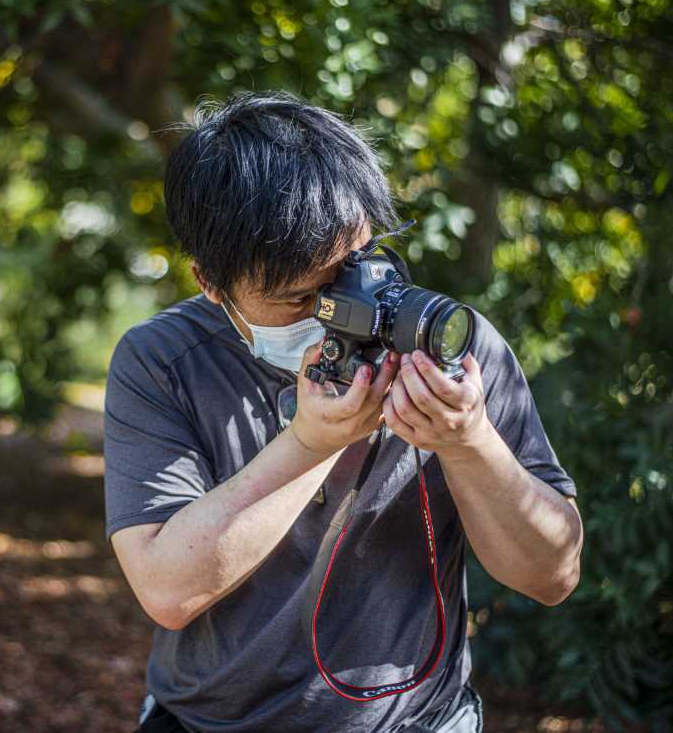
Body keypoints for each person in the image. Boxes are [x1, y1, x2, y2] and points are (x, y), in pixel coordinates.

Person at [103, 90, 583, 733]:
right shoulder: (163, 361)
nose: (340, 309)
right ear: (210, 282)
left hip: (418, 720)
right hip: (208, 721)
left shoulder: (448, 348)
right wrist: (309, 442)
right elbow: (167, 589)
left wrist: (470, 443)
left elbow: (552, 574)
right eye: (302, 297)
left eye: (354, 272)